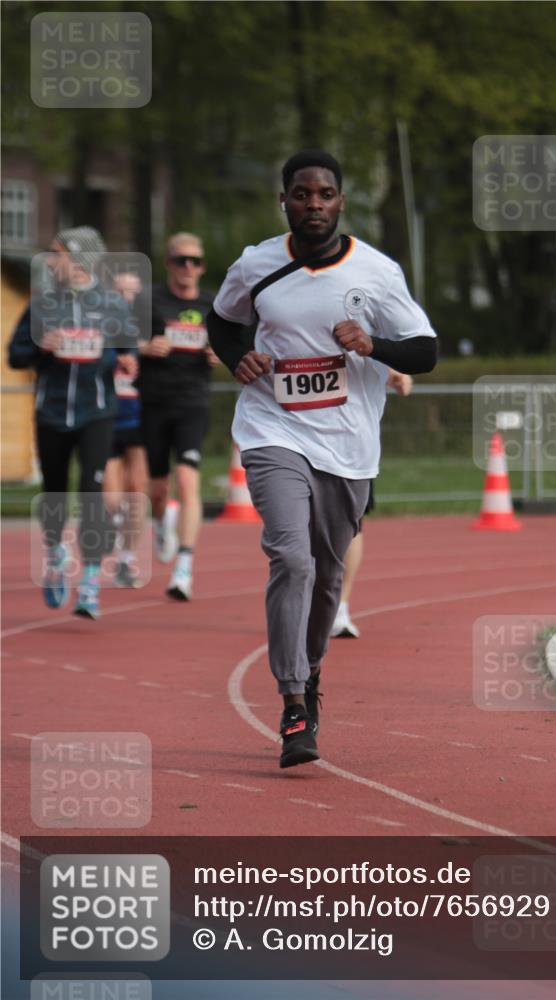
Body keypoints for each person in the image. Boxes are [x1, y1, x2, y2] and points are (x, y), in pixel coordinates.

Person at [207, 150, 437, 768]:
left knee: (329, 575)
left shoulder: (377, 271)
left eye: (325, 194)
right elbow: (222, 322)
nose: (314, 204)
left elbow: (425, 352)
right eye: (302, 194)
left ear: (341, 202)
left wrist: (374, 344)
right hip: (272, 429)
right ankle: (292, 701)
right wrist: (239, 360)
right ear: (283, 201)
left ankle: (309, 676)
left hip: (348, 444)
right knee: (291, 555)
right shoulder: (256, 263)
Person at [8, 227, 138, 619]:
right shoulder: (42, 305)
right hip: (51, 413)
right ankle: (54, 552)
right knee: (55, 493)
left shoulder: (112, 304)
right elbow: (15, 355)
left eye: (57, 254)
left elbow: (127, 346)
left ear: (80, 259)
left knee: (91, 494)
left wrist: (128, 358)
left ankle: (91, 583)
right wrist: (38, 346)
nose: (50, 261)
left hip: (96, 413)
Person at [136, 233, 219, 600]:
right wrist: (144, 347)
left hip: (192, 402)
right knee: (157, 490)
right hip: (153, 401)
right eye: (181, 260)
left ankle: (184, 567)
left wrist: (220, 355)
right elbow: (120, 341)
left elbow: (232, 346)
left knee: (187, 481)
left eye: (195, 261)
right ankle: (160, 521)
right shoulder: (149, 299)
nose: (189, 267)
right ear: (169, 263)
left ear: (201, 267)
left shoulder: (212, 304)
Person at [330, 369, 414, 638]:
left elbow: (399, 359)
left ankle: (340, 607)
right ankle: (305, 600)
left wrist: (399, 376)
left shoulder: (363, 332)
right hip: (304, 437)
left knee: (353, 524)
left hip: (354, 444)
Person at [104, 272, 148, 588]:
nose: (125, 298)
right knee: (110, 495)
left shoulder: (148, 327)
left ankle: (127, 559)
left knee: (137, 488)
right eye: (120, 292)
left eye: (131, 293)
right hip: (106, 418)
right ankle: (117, 530)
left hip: (141, 418)